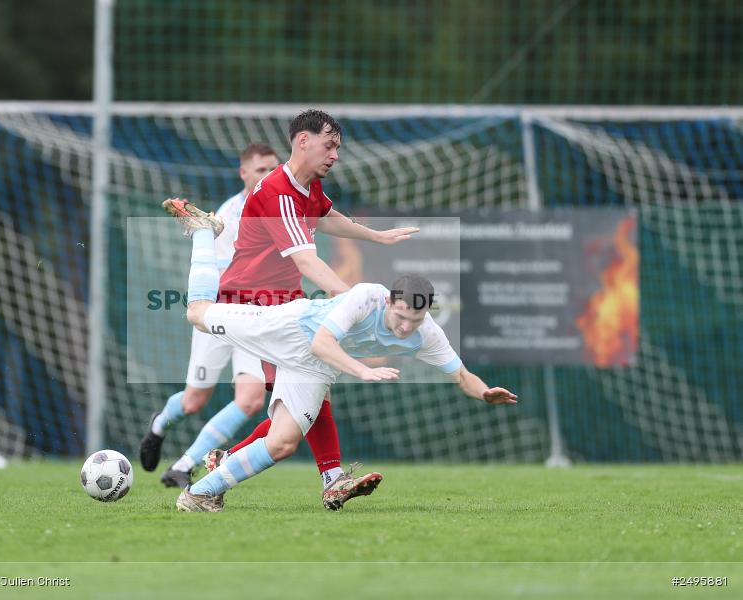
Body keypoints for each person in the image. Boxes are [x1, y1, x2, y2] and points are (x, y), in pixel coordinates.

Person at [141, 109, 419, 510]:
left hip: (284, 304)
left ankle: (301, 473)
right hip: (253, 304)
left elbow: (327, 216)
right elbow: (308, 262)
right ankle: (323, 477)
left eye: (338, 147)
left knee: (305, 392)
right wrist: (359, 302)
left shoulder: (307, 189)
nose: (335, 154)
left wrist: (376, 236)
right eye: (330, 144)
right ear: (302, 141)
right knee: (295, 385)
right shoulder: (278, 193)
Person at [160, 201, 518, 512]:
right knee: (197, 314)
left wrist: (484, 392)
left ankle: (201, 494)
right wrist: (362, 370)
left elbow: (461, 374)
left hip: (314, 365)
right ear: (389, 301)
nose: (407, 326)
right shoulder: (365, 296)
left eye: (416, 319)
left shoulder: (426, 333)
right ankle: (204, 231)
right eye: (402, 316)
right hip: (289, 328)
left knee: (283, 443)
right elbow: (322, 342)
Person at [139, 143, 279, 488]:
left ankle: (184, 465)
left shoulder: (281, 209)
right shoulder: (229, 215)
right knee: (193, 401)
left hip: (253, 319)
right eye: (261, 170)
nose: (268, 177)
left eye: (273, 170)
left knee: (249, 401)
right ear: (243, 173)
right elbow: (216, 272)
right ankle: (159, 425)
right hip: (216, 315)